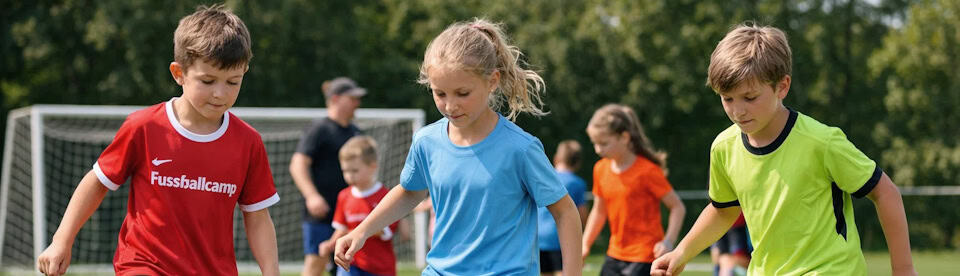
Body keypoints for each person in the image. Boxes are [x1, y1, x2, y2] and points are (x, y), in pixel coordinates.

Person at [651, 23, 917, 276]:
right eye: (727, 98)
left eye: (750, 97)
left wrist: (903, 269)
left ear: (782, 87)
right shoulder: (723, 148)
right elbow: (723, 211)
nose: (738, 111)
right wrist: (681, 252)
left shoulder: (821, 142)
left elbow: (885, 192)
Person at [36, 4, 280, 275]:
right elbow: (97, 182)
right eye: (208, 81)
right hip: (144, 265)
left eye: (232, 82)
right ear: (179, 73)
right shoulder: (144, 126)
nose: (220, 93)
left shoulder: (248, 142)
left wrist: (272, 272)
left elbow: (257, 216)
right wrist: (61, 241)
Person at [332, 18, 583, 275]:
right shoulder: (426, 141)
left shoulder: (520, 149)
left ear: (492, 81)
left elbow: (564, 211)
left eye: (463, 93)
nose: (450, 106)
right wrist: (361, 232)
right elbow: (410, 192)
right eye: (440, 93)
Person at [581, 104, 686, 276]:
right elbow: (599, 212)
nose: (598, 149)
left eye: (604, 143)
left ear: (624, 137)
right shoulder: (600, 169)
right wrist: (585, 244)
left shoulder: (648, 171)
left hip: (645, 257)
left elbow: (677, 207)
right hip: (614, 255)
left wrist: (668, 242)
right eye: (595, 143)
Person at [290, 77, 365, 275]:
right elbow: (298, 164)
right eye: (352, 98)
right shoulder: (319, 129)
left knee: (348, 264)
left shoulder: (356, 132)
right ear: (335, 99)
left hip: (349, 214)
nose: (357, 103)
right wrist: (312, 196)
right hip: (322, 213)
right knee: (316, 263)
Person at [317, 136, 397, 276]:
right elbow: (341, 229)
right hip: (351, 263)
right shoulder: (344, 196)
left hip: (379, 267)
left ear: (372, 167)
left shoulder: (385, 196)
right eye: (345, 171)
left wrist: (355, 233)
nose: (349, 176)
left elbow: (384, 231)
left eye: (354, 171)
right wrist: (330, 244)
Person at [538, 140, 589, 276]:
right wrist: (585, 235)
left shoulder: (543, 178)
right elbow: (582, 214)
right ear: (578, 163)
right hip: (560, 239)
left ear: (556, 158)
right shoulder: (577, 183)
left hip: (538, 238)